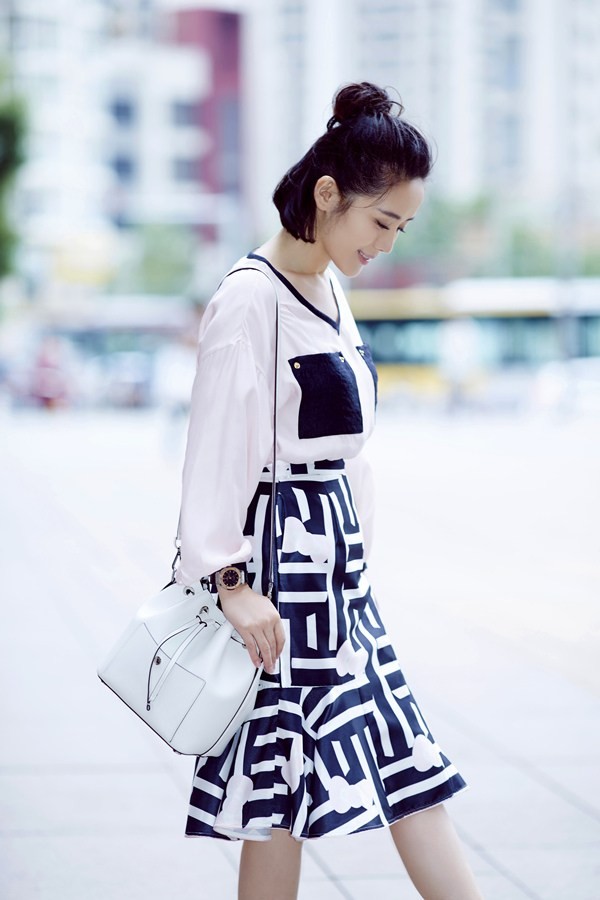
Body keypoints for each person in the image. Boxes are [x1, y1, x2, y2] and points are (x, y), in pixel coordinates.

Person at [175, 82, 483, 900]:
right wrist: (231, 583)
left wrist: (356, 564)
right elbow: (213, 454)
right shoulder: (251, 298)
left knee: (391, 768)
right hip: (283, 582)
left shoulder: (330, 292)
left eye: (401, 228)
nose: (387, 243)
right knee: (291, 791)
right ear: (326, 195)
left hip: (338, 582)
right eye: (381, 221)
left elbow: (349, 455)